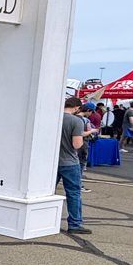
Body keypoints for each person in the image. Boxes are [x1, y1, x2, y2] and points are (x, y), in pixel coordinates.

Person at [56, 97, 92, 234]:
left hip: (52, 162)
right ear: (77, 107)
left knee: (47, 191)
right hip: (69, 162)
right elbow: (77, 144)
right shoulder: (76, 121)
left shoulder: (54, 118)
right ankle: (75, 224)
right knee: (73, 193)